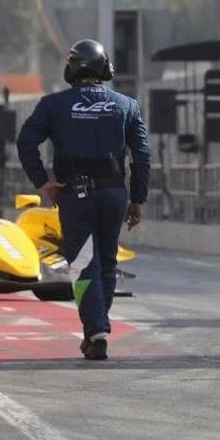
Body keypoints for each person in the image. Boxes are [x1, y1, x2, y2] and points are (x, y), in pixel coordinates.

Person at [17, 39, 150, 360]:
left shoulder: (53, 105)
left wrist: (43, 182)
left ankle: (95, 330)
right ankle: (98, 326)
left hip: (75, 194)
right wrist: (138, 198)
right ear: (106, 69)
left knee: (82, 265)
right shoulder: (127, 105)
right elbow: (142, 155)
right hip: (114, 194)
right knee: (106, 263)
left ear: (71, 70)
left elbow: (25, 142)